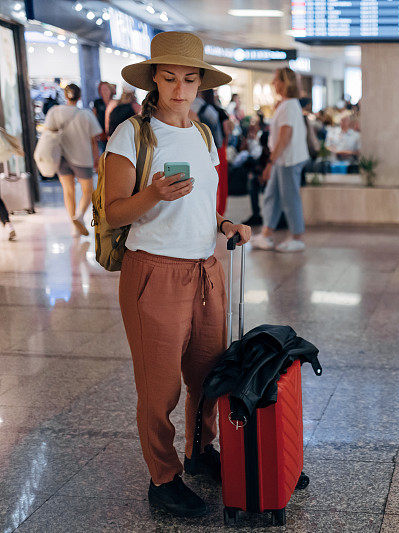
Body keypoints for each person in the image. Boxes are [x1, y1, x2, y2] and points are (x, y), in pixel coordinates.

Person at [104, 31, 251, 518]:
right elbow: (114, 214)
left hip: (205, 270)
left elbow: (204, 206)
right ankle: (163, 477)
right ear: (155, 81)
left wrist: (225, 224)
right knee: (159, 385)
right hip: (155, 273)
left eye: (190, 79)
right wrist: (154, 195)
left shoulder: (205, 135)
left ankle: (199, 451)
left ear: (202, 84)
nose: (180, 88)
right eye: (170, 78)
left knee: (207, 374)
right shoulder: (132, 134)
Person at [250, 67, 310, 253]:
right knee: (272, 195)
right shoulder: (286, 104)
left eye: (276, 79)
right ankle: (267, 234)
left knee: (290, 198)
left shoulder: (290, 105)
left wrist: (270, 162)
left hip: (287, 160)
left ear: (285, 83)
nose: (273, 83)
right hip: (283, 159)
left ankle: (297, 237)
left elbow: (285, 135)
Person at [43, 83, 103, 237]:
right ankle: (80, 216)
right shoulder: (86, 114)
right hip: (82, 157)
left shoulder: (54, 112)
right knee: (88, 191)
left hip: (62, 157)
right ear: (80, 96)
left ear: (65, 95)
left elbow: (48, 133)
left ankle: (73, 225)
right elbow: (94, 141)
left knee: (68, 191)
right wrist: (96, 159)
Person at [92, 81, 113, 151]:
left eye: (106, 89)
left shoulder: (115, 103)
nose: (104, 91)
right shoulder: (97, 102)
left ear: (110, 90)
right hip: (101, 135)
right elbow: (93, 118)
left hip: (113, 134)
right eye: (102, 89)